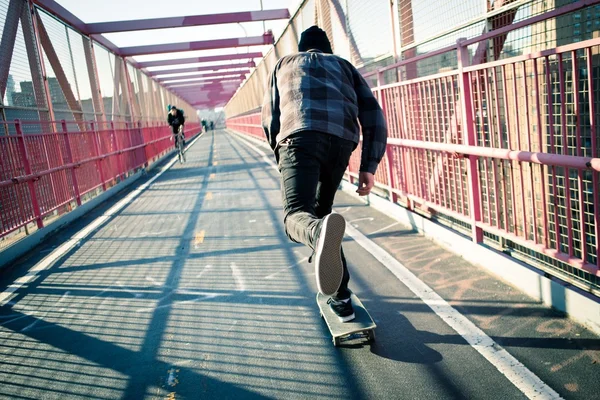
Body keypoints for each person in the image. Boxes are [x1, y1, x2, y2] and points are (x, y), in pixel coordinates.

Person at [262, 26, 387, 322]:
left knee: (297, 216)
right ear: (328, 49)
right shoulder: (344, 66)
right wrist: (368, 166)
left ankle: (319, 239)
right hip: (341, 142)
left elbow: (270, 117)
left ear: (302, 48)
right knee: (323, 213)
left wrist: (281, 155)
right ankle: (340, 296)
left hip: (300, 138)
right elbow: (374, 117)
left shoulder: (284, 64)